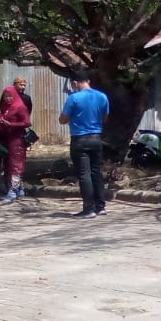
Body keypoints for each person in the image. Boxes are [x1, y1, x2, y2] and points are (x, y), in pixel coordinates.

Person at [60, 70, 111, 219]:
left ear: (75, 83)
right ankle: (100, 206)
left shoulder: (73, 98)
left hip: (79, 139)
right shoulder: (102, 96)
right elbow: (105, 118)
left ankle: (88, 208)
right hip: (96, 138)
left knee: (84, 174)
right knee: (96, 171)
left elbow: (63, 120)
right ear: (88, 81)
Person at [0, 86, 30, 202]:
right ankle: (20, 189)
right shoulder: (7, 108)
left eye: (10, 96)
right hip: (8, 139)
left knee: (16, 165)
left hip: (17, 140)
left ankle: (12, 191)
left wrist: (11, 124)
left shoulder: (20, 107)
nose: (8, 99)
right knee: (10, 164)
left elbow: (27, 122)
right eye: (5, 97)